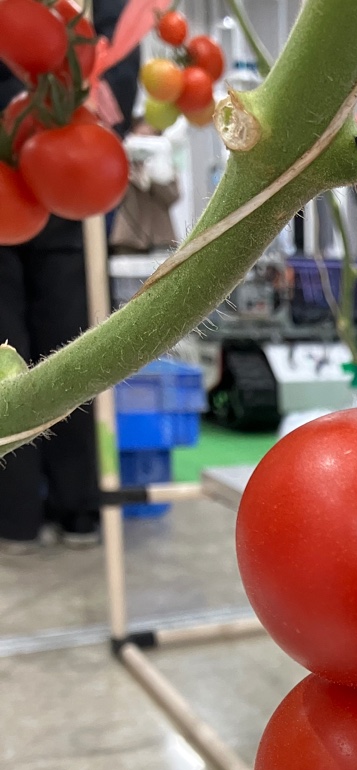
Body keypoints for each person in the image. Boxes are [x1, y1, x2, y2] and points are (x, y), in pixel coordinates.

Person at [0, 0, 139, 553]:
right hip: (54, 155)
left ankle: (65, 506)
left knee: (69, 349)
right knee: (42, 345)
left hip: (62, 161)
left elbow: (114, 68)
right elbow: (113, 64)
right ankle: (26, 511)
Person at [109, 118, 181, 254]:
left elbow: (173, 196)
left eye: (150, 137)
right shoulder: (122, 164)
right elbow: (114, 196)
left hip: (161, 235)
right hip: (129, 236)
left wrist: (155, 176)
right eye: (141, 137)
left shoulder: (166, 165)